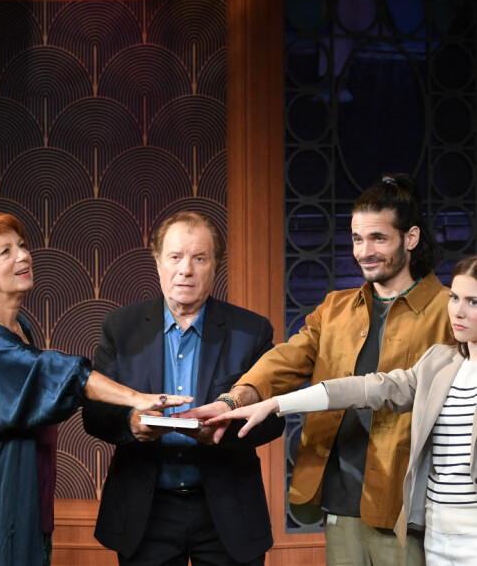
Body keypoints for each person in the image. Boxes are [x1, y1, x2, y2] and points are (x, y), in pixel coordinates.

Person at [180, 174, 453, 565]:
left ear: (410, 238)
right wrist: (231, 400)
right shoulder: (336, 308)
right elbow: (284, 362)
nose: (364, 251)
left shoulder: (448, 310)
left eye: (378, 238)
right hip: (339, 500)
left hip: (407, 509)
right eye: (358, 239)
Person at [0, 211, 191, 566]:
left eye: (21, 245)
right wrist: (138, 398)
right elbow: (56, 373)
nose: (22, 255)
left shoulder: (18, 327)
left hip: (21, 490)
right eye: (4, 252)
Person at [207, 254, 477, 565]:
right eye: (455, 297)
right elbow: (361, 389)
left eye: (473, 301)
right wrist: (274, 404)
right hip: (437, 534)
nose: (457, 310)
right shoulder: (437, 362)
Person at [81, 211, 286, 566]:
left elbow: (274, 419)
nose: (185, 270)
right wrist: (131, 422)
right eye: (175, 257)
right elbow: (95, 414)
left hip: (226, 510)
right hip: (146, 513)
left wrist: (226, 428)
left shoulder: (251, 331)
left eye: (199, 258)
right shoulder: (121, 327)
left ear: (215, 265)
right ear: (158, 261)